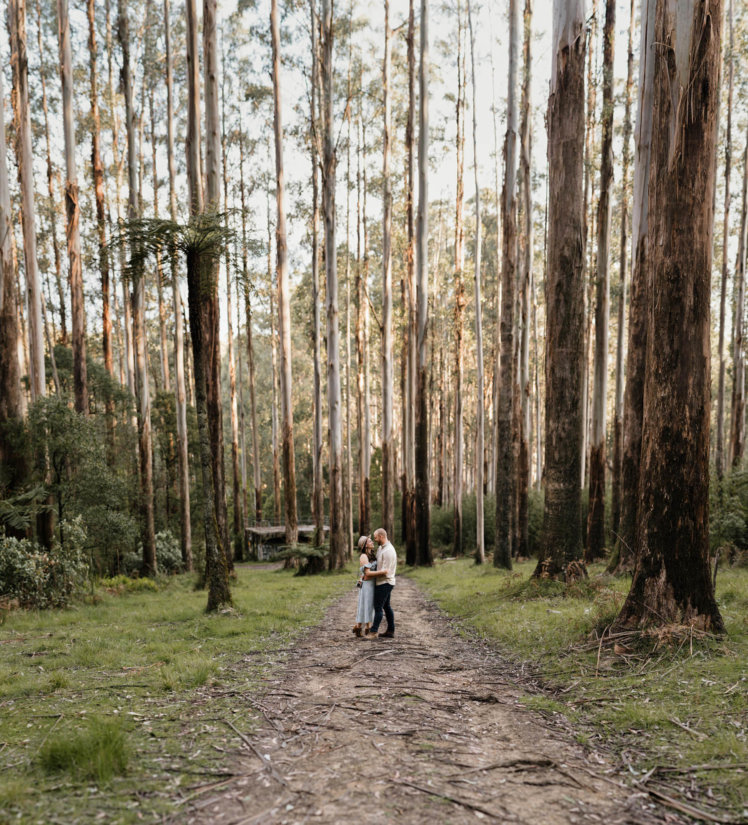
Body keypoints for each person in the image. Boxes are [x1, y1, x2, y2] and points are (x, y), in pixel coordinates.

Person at [362, 528, 396, 639]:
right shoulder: (381, 548)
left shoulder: (389, 551)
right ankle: (390, 631)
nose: (375, 539)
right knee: (386, 606)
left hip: (385, 582)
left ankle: (374, 632)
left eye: (376, 537)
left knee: (378, 607)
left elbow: (385, 572)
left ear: (381, 536)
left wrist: (369, 574)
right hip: (381, 582)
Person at [353, 535, 376, 637]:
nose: (372, 542)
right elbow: (367, 573)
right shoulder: (363, 556)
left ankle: (359, 627)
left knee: (369, 605)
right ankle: (367, 627)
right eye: (370, 541)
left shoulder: (372, 555)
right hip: (367, 585)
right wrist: (382, 572)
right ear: (365, 545)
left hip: (372, 583)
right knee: (366, 605)